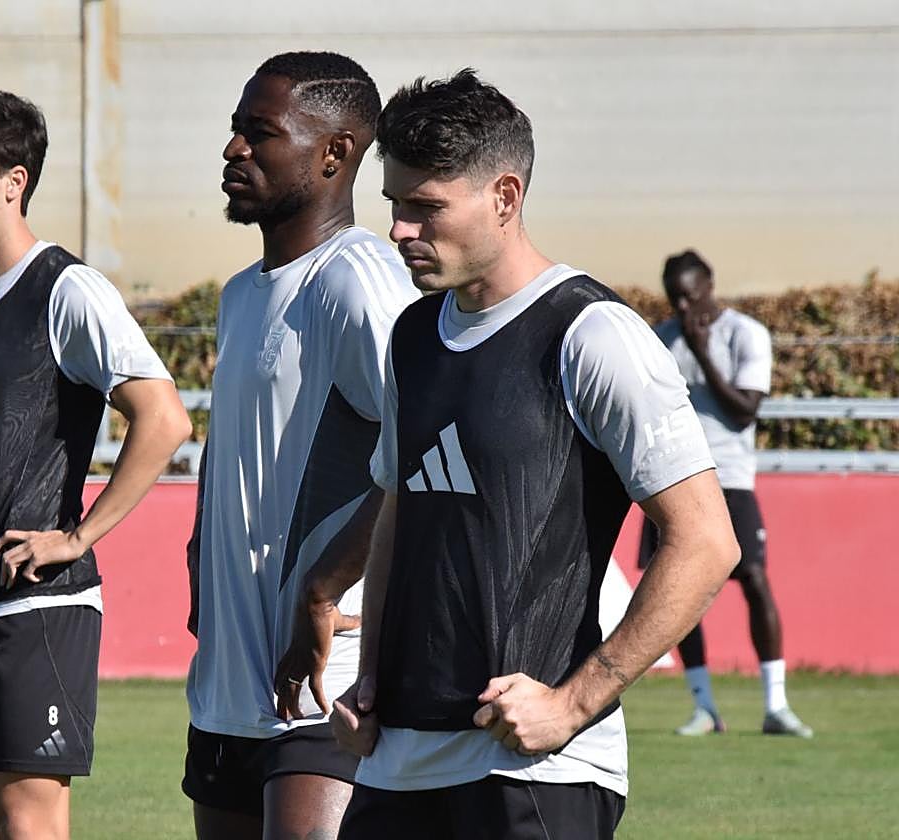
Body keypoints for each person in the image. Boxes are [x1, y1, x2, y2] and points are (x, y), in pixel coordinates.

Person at [329, 70, 741, 839]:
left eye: (425, 209)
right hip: (396, 759)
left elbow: (706, 541)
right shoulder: (412, 337)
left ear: (505, 197)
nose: (399, 232)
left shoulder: (592, 335)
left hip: (531, 768)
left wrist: (573, 704)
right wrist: (373, 676)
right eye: (394, 206)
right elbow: (399, 510)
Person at [0, 82, 191, 840]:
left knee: (29, 822)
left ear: (14, 181)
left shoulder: (68, 291)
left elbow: (163, 419)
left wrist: (78, 538)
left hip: (36, 604)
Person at [182, 52, 419, 839]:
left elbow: (424, 449)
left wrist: (323, 589)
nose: (234, 151)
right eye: (234, 131)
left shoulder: (358, 279)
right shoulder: (241, 294)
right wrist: (198, 554)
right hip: (227, 685)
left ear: (334, 153)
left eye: (259, 133)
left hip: (322, 686)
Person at [642, 249, 813, 738]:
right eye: (673, 297)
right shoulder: (661, 338)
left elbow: (744, 411)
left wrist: (701, 353)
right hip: (673, 478)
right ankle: (704, 708)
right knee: (677, 587)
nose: (681, 306)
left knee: (754, 578)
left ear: (710, 285)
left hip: (730, 477)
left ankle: (776, 705)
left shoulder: (745, 334)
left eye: (689, 295)